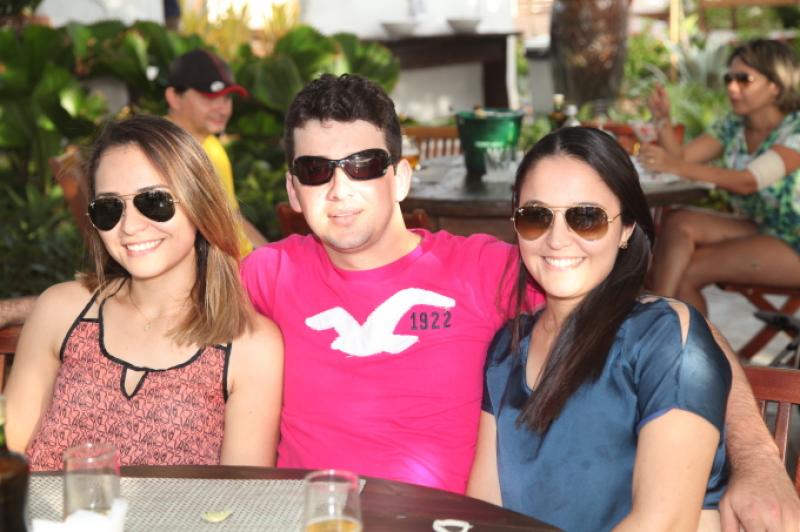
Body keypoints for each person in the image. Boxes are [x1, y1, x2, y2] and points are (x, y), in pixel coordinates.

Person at [240, 73, 800, 529]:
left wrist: (759, 462)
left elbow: (673, 333)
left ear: (401, 179)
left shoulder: (486, 270)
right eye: (315, 170)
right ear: (293, 191)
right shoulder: (268, 274)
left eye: (364, 165)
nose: (339, 189)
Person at [468, 127, 731, 531]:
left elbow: (665, 522)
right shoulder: (508, 349)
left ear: (626, 228)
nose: (557, 239)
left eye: (586, 218)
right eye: (536, 217)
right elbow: (484, 511)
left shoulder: (661, 338)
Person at [4, 116, 283, 471]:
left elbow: (241, 496)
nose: (130, 227)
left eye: (154, 202)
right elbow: (9, 451)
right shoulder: (62, 311)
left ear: (199, 202)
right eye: (109, 208)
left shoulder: (249, 346)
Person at [640, 38, 800, 314]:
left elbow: (749, 181)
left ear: (775, 85)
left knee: (686, 273)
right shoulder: (734, 124)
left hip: (794, 240)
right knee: (679, 221)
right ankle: (657, 315)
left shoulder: (795, 129)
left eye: (744, 79)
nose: (732, 87)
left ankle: (657, 321)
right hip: (763, 225)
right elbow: (683, 158)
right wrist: (663, 120)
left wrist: (672, 165)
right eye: (729, 78)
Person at [166, 48, 268, 254]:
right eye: (209, 98)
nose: (223, 109)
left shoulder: (212, 146)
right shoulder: (159, 152)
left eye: (227, 98)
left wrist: (273, 258)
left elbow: (233, 217)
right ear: (174, 98)